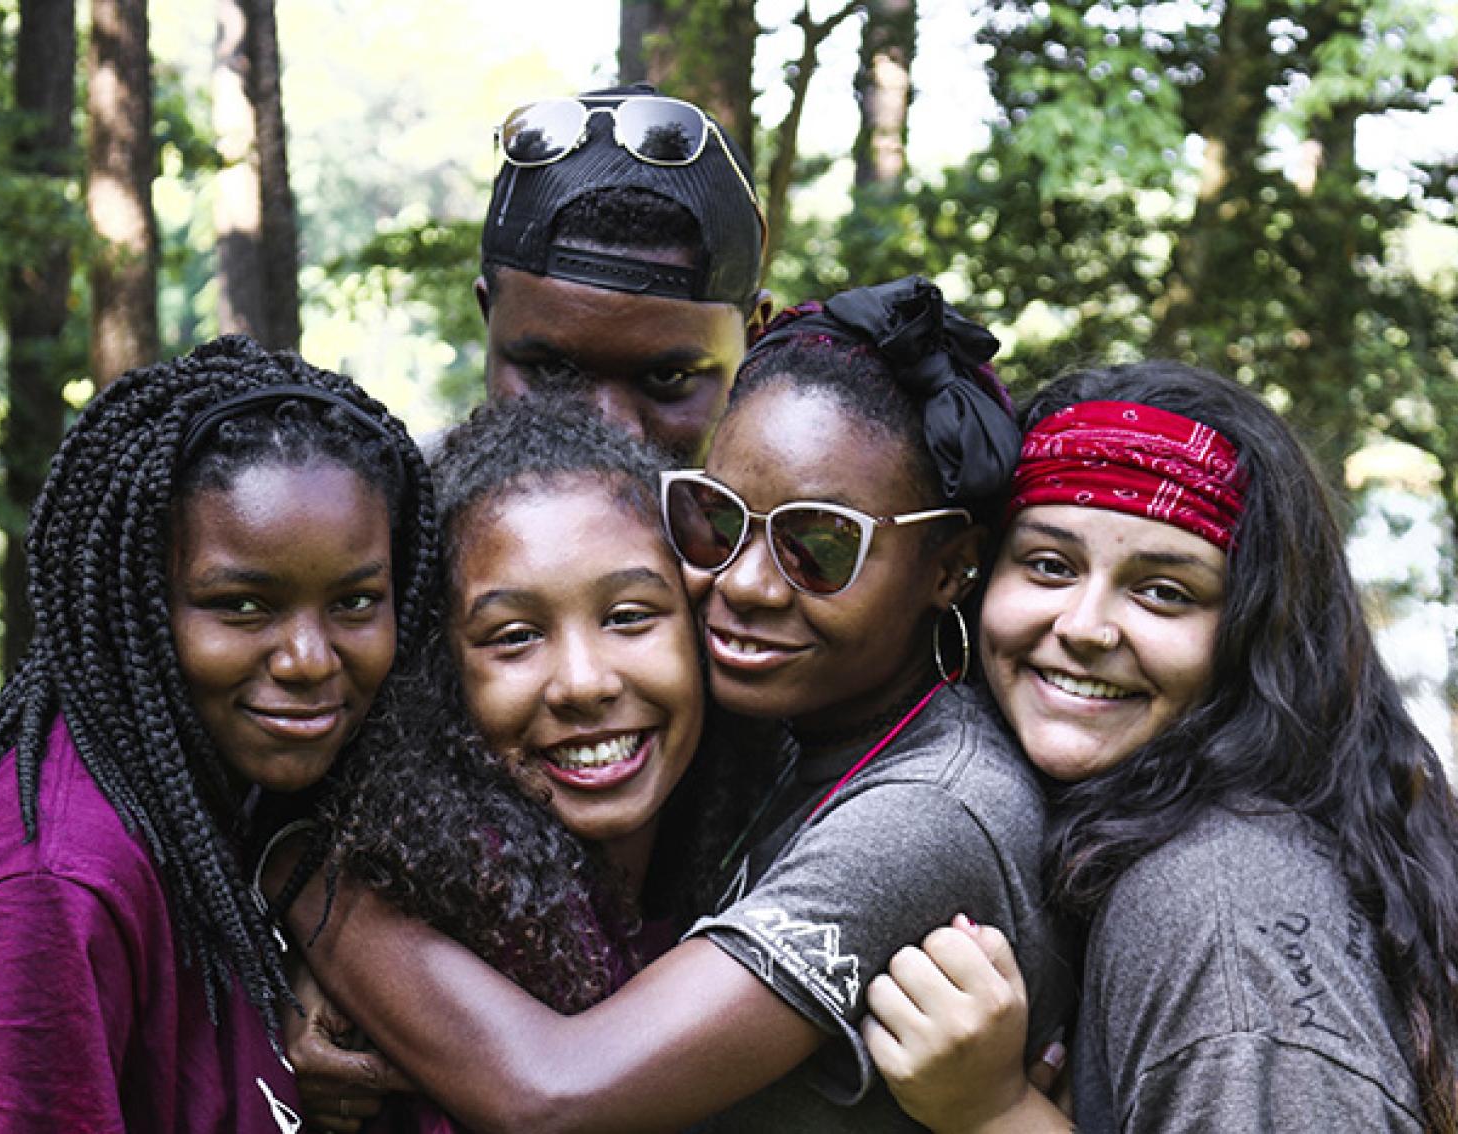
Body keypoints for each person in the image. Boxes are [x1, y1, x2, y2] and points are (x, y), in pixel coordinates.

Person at [273, 276, 1077, 1131]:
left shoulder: (927, 814)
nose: (747, 582)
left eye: (820, 545)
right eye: (716, 518)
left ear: (950, 567)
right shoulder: (780, 735)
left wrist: (294, 872)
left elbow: (556, 1095)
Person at [860, 361, 1458, 1133]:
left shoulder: (1218, 907)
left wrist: (995, 1114)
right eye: (1050, 565)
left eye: (1164, 591)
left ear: (1256, 639)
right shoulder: (1159, 843)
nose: (1086, 626)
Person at [0, 335, 439, 1133]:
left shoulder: (235, 797)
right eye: (242, 604)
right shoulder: (45, 891)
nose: (310, 659)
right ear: (136, 604)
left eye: (355, 602)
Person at [284, 395, 765, 1131]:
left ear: (701, 624)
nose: (584, 682)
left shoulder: (743, 826)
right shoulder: (444, 909)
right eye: (514, 636)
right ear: (442, 675)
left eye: (629, 617)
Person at [475, 82, 771, 462]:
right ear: (489, 315)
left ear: (755, 340)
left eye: (668, 378)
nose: (608, 434)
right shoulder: (390, 514)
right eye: (551, 373)